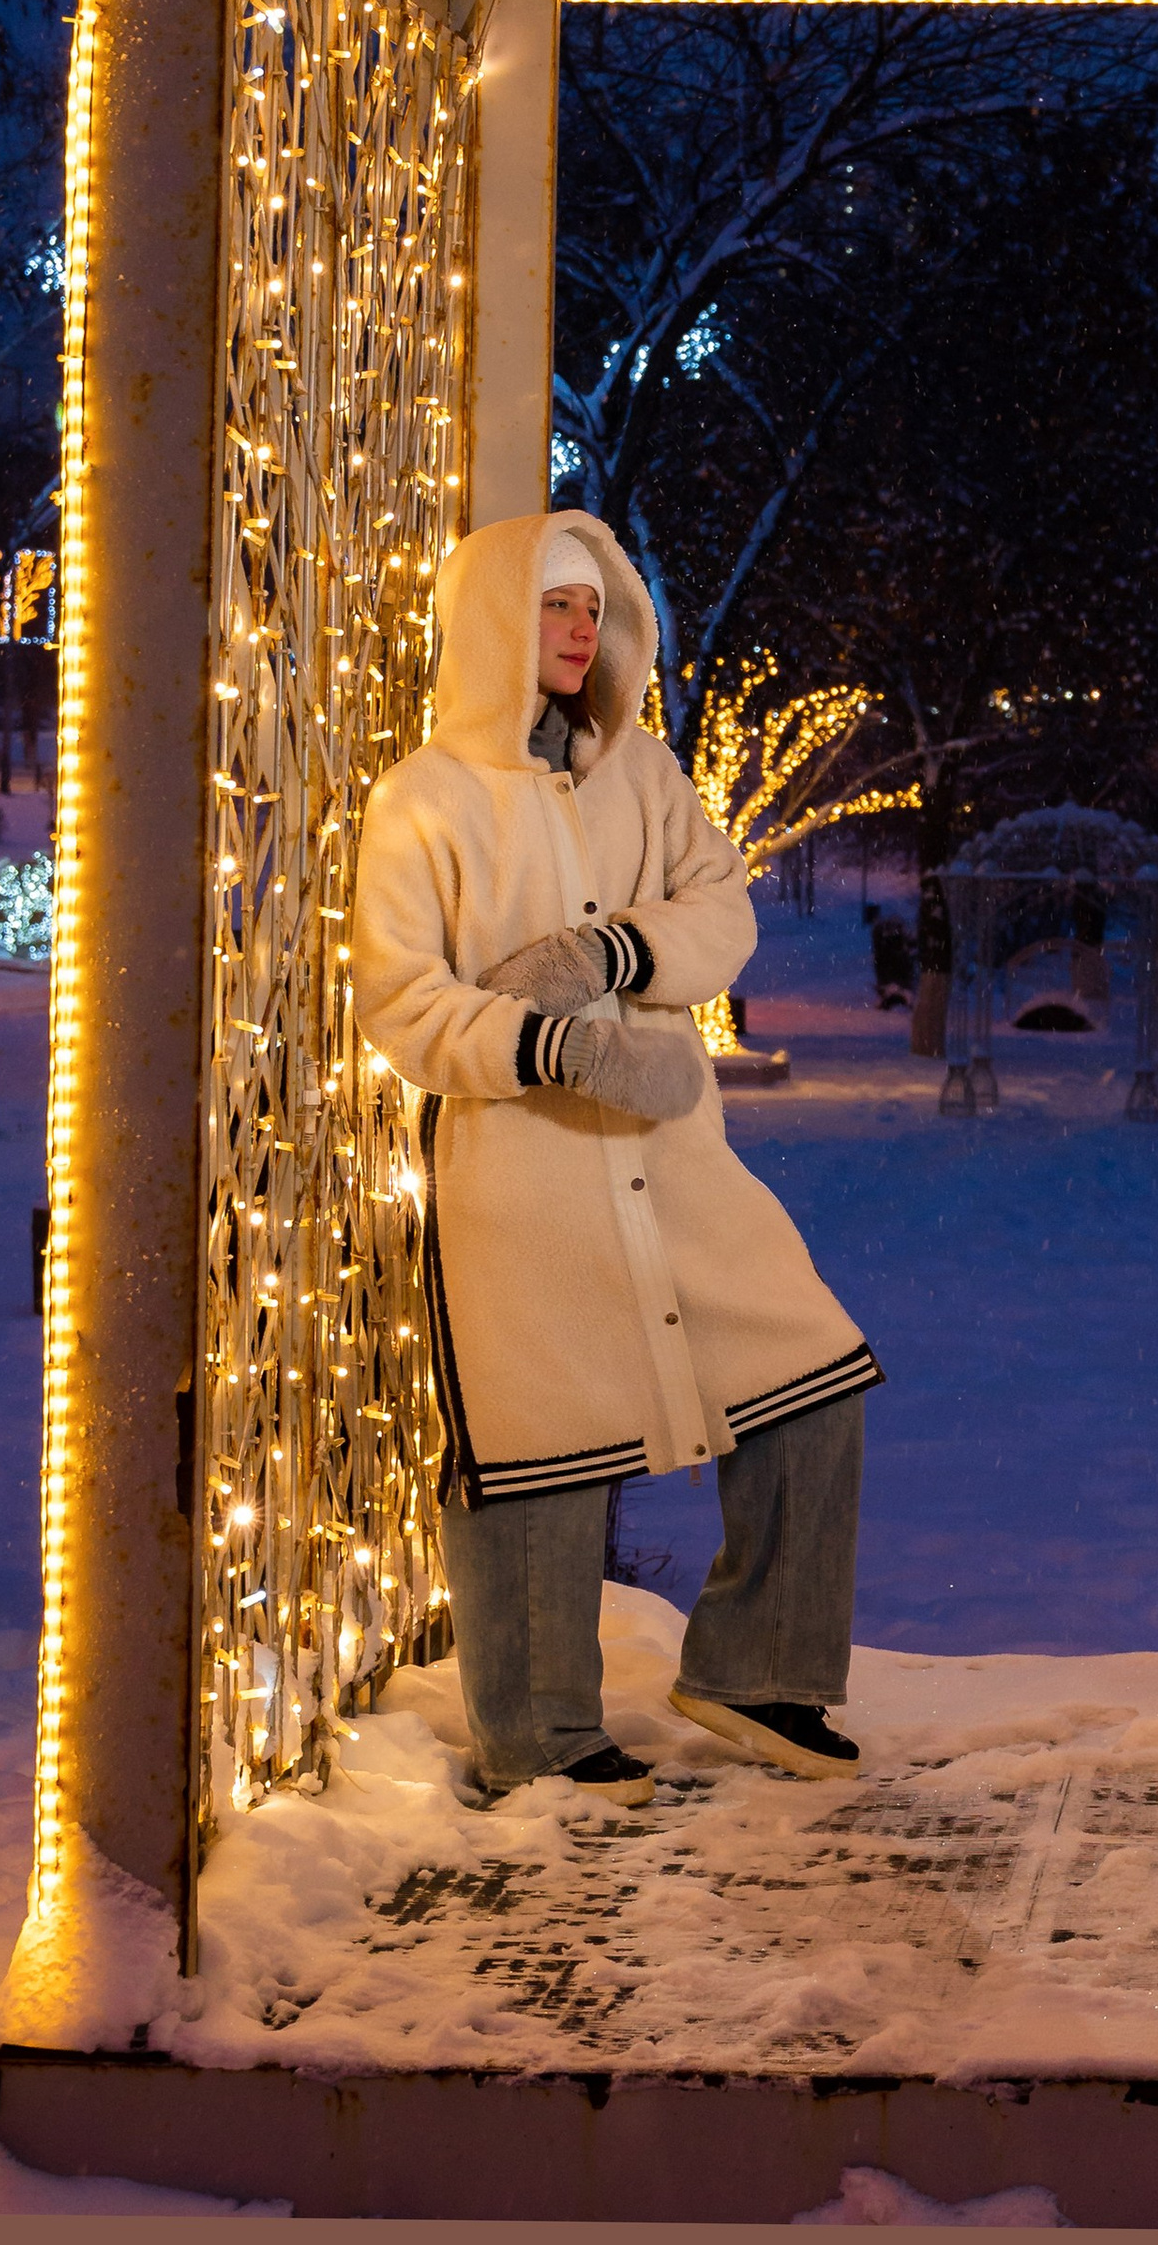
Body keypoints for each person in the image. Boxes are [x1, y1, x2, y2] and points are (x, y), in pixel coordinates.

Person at [353, 511, 878, 1803]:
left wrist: (613, 957)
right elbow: (401, 1002)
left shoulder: (644, 776)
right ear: (493, 620)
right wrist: (558, 1048)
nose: (584, 634)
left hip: (672, 1157)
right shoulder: (422, 800)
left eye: (596, 611)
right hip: (520, 1176)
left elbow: (724, 911)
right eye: (555, 607)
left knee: (809, 1370)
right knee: (540, 1444)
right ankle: (536, 1733)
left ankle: (756, 1671)